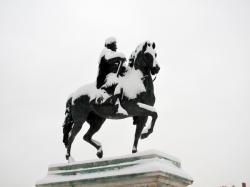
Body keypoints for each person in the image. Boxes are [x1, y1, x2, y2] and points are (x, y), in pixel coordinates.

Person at [96, 37, 127, 114]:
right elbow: (109, 59)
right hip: (105, 79)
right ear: (110, 45)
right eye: (115, 45)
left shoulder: (111, 53)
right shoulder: (106, 52)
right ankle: (116, 104)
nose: (116, 47)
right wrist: (119, 57)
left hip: (111, 76)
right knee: (118, 83)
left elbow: (121, 68)